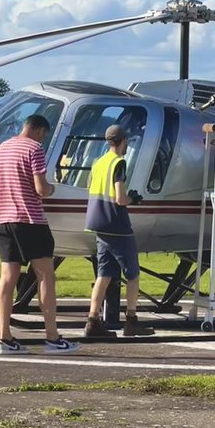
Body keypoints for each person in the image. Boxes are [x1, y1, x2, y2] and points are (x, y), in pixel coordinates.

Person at [0, 114, 79, 356]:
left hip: (3, 220)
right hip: (30, 220)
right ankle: (52, 337)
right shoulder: (34, 149)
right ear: (39, 131)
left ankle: (4, 337)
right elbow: (41, 188)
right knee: (46, 274)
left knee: (7, 277)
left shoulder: (1, 148)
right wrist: (52, 188)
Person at [84, 123, 154, 339]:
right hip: (116, 224)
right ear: (123, 141)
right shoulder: (118, 163)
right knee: (132, 275)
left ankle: (92, 320)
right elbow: (120, 198)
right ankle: (131, 321)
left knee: (104, 275)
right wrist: (134, 198)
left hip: (98, 223)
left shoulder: (98, 162)